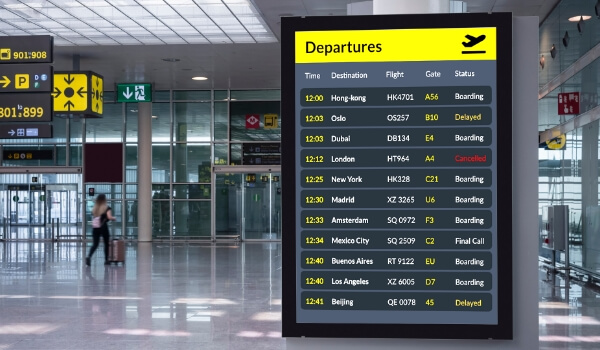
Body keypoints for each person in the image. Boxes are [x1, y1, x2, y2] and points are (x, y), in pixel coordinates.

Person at [86, 194, 117, 266]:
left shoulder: (95, 208)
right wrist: (113, 218)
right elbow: (109, 217)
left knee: (95, 244)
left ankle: (89, 256)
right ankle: (106, 260)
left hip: (95, 228)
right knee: (106, 244)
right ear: (104, 200)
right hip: (103, 227)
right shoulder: (107, 208)